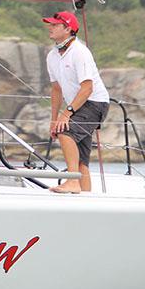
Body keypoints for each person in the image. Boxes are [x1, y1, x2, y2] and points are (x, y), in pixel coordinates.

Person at [43, 11, 109, 194]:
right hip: (78, 104)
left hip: (95, 102)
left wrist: (66, 114)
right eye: (50, 24)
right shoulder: (52, 56)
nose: (50, 27)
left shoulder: (80, 52)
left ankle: (72, 182)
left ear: (68, 29)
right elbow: (56, 89)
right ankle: (85, 197)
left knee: (66, 132)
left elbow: (87, 88)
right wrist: (54, 119)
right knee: (81, 159)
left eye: (55, 25)